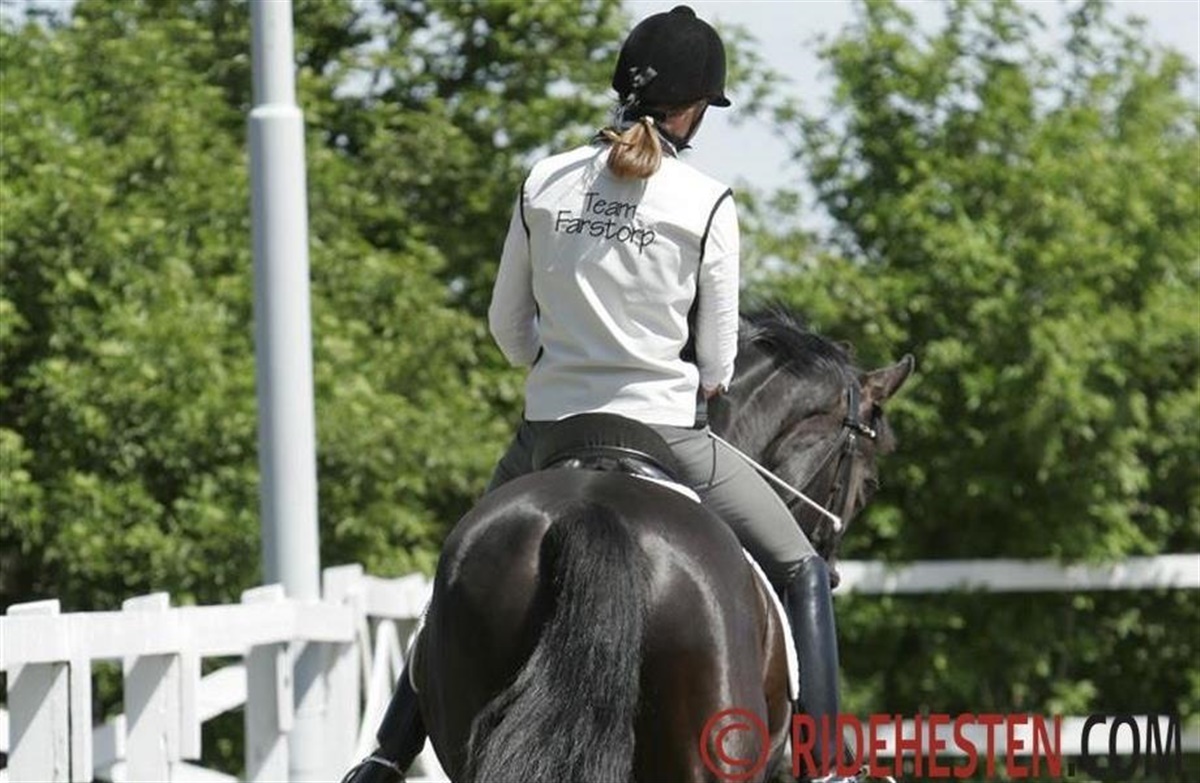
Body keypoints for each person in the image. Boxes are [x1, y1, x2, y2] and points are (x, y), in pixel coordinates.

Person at [343, 6, 857, 783]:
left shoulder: (545, 180)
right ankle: (832, 768)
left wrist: (558, 363)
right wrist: (693, 376)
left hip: (549, 432)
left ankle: (389, 751)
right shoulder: (707, 201)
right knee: (802, 569)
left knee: (463, 566)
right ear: (695, 110)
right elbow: (717, 362)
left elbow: (506, 325)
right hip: (667, 436)